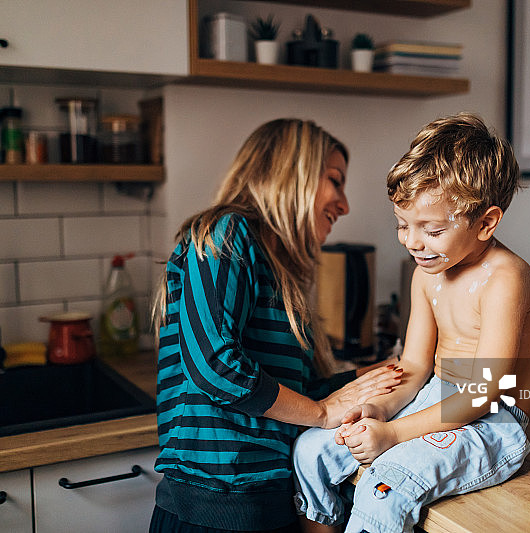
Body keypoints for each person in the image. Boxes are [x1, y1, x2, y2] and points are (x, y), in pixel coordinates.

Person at [293, 113, 530, 533]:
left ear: (486, 222)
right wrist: (379, 409)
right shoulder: (427, 274)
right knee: (311, 450)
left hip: (492, 421)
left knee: (385, 484)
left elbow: (484, 392)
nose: (412, 241)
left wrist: (393, 434)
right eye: (403, 225)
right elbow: (414, 366)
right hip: (433, 397)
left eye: (431, 230)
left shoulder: (506, 278)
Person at [150, 118, 403, 533]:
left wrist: (365, 379)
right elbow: (215, 366)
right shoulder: (225, 232)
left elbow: (288, 395)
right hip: (213, 509)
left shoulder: (276, 269)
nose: (344, 205)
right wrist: (323, 412)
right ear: (291, 172)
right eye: (335, 181)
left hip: (266, 505)